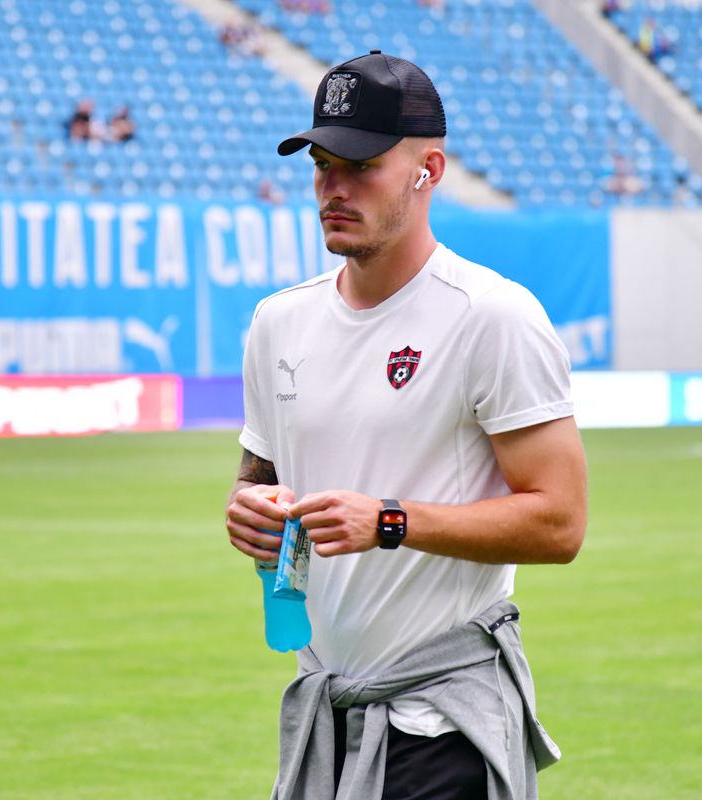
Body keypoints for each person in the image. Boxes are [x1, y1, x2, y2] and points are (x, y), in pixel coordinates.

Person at [224, 50, 588, 800]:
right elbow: (259, 483)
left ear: (429, 169)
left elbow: (560, 524)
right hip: (327, 712)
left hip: (442, 719)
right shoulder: (277, 321)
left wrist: (389, 521)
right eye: (322, 163)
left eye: (361, 165)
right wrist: (250, 517)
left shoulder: (492, 317)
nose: (334, 187)